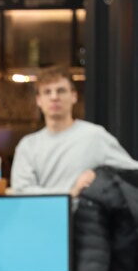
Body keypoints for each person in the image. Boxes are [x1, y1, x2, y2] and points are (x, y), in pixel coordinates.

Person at [10, 66, 138, 196]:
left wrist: (100, 179)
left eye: (61, 91)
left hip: (84, 209)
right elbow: (21, 191)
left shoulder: (94, 136)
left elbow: (132, 171)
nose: (54, 97)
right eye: (47, 92)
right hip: (43, 210)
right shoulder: (28, 146)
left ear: (74, 96)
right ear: (39, 100)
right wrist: (71, 193)